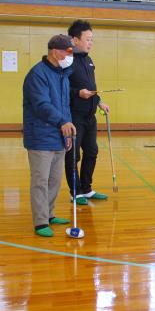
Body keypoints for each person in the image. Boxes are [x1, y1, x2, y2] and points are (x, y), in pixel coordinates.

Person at [23, 35, 77, 237]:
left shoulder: (62, 74)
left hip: (59, 135)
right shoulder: (37, 74)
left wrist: (68, 131)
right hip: (40, 135)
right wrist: (62, 122)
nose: (70, 56)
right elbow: (41, 104)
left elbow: (64, 106)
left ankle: (50, 213)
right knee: (40, 180)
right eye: (68, 52)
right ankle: (40, 221)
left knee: (55, 179)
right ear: (55, 51)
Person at [65, 20, 109, 205]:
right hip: (74, 115)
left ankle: (87, 188)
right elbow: (61, 89)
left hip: (90, 116)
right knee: (73, 155)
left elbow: (92, 87)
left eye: (92, 39)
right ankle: (75, 192)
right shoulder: (66, 61)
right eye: (87, 39)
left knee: (92, 151)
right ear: (75, 40)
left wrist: (99, 102)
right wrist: (77, 93)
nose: (90, 43)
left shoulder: (89, 60)